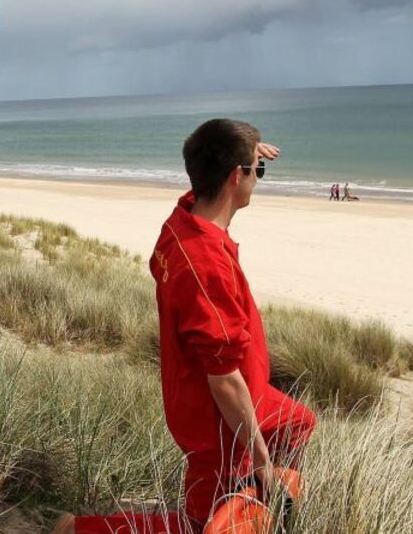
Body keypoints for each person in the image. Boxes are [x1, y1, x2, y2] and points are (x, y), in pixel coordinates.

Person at [56, 119, 316, 533]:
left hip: (250, 394)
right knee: (197, 525)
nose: (259, 176)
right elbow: (224, 381)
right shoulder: (205, 265)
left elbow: (208, 172)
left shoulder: (182, 221)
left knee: (299, 423)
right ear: (236, 177)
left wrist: (243, 150)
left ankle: (261, 504)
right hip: (219, 421)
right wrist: (261, 459)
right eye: (258, 170)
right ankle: (79, 529)